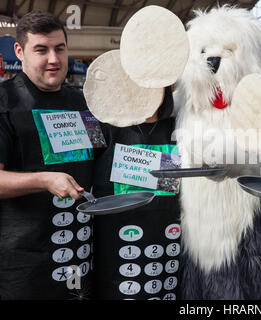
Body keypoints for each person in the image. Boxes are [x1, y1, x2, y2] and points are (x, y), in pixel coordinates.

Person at [0, 11, 96, 299]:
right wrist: (43, 180)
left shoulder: (83, 103)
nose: (54, 59)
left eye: (60, 48)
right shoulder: (6, 102)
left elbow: (100, 160)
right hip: (24, 267)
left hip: (78, 259)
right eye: (41, 50)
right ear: (20, 51)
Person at [91, 87, 181, 300]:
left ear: (166, 90)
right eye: (139, 85)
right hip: (116, 251)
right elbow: (79, 166)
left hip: (167, 246)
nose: (146, 92)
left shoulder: (182, 129)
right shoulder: (101, 125)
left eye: (154, 87)